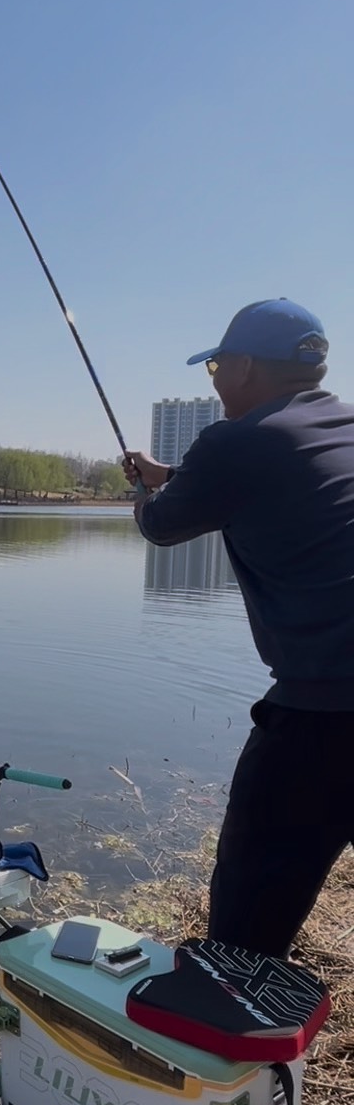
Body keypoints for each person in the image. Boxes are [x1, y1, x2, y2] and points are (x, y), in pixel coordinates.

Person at [124, 298, 354, 957]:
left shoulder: (237, 441)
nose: (216, 380)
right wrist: (169, 478)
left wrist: (146, 495)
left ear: (247, 365)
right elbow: (269, 483)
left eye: (217, 366)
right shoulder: (337, 427)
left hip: (325, 716)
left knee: (242, 940)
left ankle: (237, 1029)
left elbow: (160, 526)